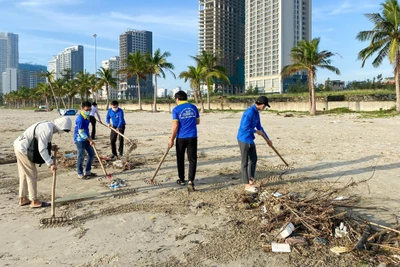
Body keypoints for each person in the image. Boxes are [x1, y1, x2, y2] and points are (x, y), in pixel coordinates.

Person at [13, 116, 72, 208]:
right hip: (23, 149)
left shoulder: (48, 125)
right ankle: (34, 201)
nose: (62, 132)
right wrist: (51, 163)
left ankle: (23, 198)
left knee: (24, 174)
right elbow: (42, 149)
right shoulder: (47, 129)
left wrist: (51, 147)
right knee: (32, 174)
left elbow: (41, 142)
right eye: (64, 130)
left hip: (19, 146)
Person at [237, 96, 273, 193]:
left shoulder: (256, 113)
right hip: (243, 138)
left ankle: (251, 179)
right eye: (265, 106)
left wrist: (268, 139)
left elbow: (260, 127)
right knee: (244, 162)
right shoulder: (249, 112)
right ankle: (247, 185)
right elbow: (244, 127)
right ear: (262, 105)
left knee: (254, 159)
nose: (264, 108)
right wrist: (256, 132)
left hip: (250, 139)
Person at [168, 91, 200, 191]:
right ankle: (191, 181)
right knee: (192, 159)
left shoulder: (176, 109)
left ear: (177, 99)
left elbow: (175, 125)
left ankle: (181, 179)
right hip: (192, 137)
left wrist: (171, 139)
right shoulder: (193, 107)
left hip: (181, 137)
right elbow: (197, 121)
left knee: (180, 158)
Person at [74, 101, 96, 179]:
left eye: (89, 110)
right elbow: (81, 132)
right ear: (82, 109)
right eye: (86, 110)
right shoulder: (80, 119)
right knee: (81, 155)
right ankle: (80, 173)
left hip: (86, 137)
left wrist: (89, 138)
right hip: (79, 139)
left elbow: (86, 129)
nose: (88, 112)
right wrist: (89, 140)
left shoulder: (87, 117)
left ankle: (88, 171)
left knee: (91, 153)